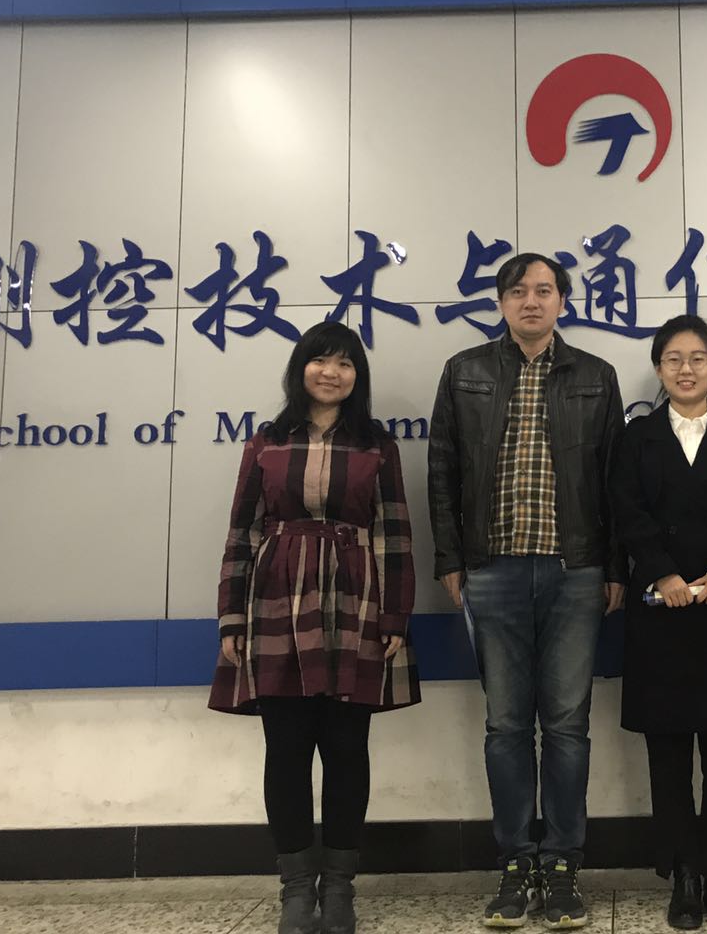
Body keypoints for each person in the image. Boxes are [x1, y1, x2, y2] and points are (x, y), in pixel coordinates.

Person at [427, 253, 626, 929]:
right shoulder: (465, 371)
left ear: (563, 302)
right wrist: (452, 559)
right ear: (501, 302)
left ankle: (563, 864)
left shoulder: (595, 376)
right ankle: (516, 862)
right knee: (506, 724)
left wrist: (616, 568)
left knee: (567, 724)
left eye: (544, 290)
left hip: (576, 571)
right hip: (493, 570)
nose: (531, 301)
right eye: (518, 291)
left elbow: (613, 480)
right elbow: (442, 469)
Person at [209, 320, 420, 934]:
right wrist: (231, 615)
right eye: (320, 360)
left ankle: (341, 888)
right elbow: (242, 532)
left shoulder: (377, 446)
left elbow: (396, 534)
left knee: (348, 750)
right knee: (286, 750)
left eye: (345, 363)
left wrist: (395, 614)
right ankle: (297, 889)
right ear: (300, 368)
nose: (332, 372)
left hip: (357, 604)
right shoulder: (266, 443)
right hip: (277, 602)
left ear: (358, 376)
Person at [608, 315, 707, 931]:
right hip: (662, 608)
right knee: (669, 747)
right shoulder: (637, 437)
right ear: (658, 368)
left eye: (698, 358)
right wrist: (663, 574)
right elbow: (626, 511)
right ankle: (682, 872)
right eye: (673, 358)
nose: (685, 369)